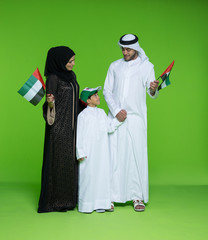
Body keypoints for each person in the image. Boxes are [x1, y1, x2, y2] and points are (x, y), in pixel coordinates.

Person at [103, 34, 159, 212]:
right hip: (116, 117)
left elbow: (152, 93)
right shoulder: (114, 66)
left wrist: (153, 89)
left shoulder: (146, 66)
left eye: (128, 49)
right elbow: (107, 90)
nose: (124, 52)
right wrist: (116, 110)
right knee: (113, 156)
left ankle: (137, 196)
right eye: (122, 49)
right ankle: (109, 197)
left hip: (136, 119)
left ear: (136, 48)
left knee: (135, 157)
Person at [38, 46, 80, 213]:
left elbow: (72, 98)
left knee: (70, 162)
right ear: (60, 61)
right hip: (59, 128)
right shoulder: (53, 78)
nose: (73, 64)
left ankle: (69, 200)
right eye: (70, 61)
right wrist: (50, 102)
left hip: (72, 126)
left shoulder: (71, 76)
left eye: (73, 60)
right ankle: (55, 201)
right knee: (58, 163)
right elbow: (50, 104)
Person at [76, 87, 122, 213]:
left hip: (102, 152)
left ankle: (101, 203)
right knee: (88, 177)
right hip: (88, 153)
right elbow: (79, 135)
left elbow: (109, 127)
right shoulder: (82, 116)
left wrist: (119, 120)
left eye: (97, 95)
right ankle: (87, 204)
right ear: (88, 100)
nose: (98, 97)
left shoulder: (101, 113)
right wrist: (80, 152)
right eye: (95, 95)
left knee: (102, 176)